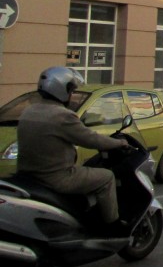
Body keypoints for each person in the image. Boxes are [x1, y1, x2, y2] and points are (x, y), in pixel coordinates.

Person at [17, 67, 131, 234]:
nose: (72, 95)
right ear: (61, 90)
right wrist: (119, 143)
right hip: (56, 177)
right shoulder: (62, 116)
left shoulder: (29, 111)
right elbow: (91, 139)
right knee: (106, 177)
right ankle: (112, 226)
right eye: (71, 91)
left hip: (28, 174)